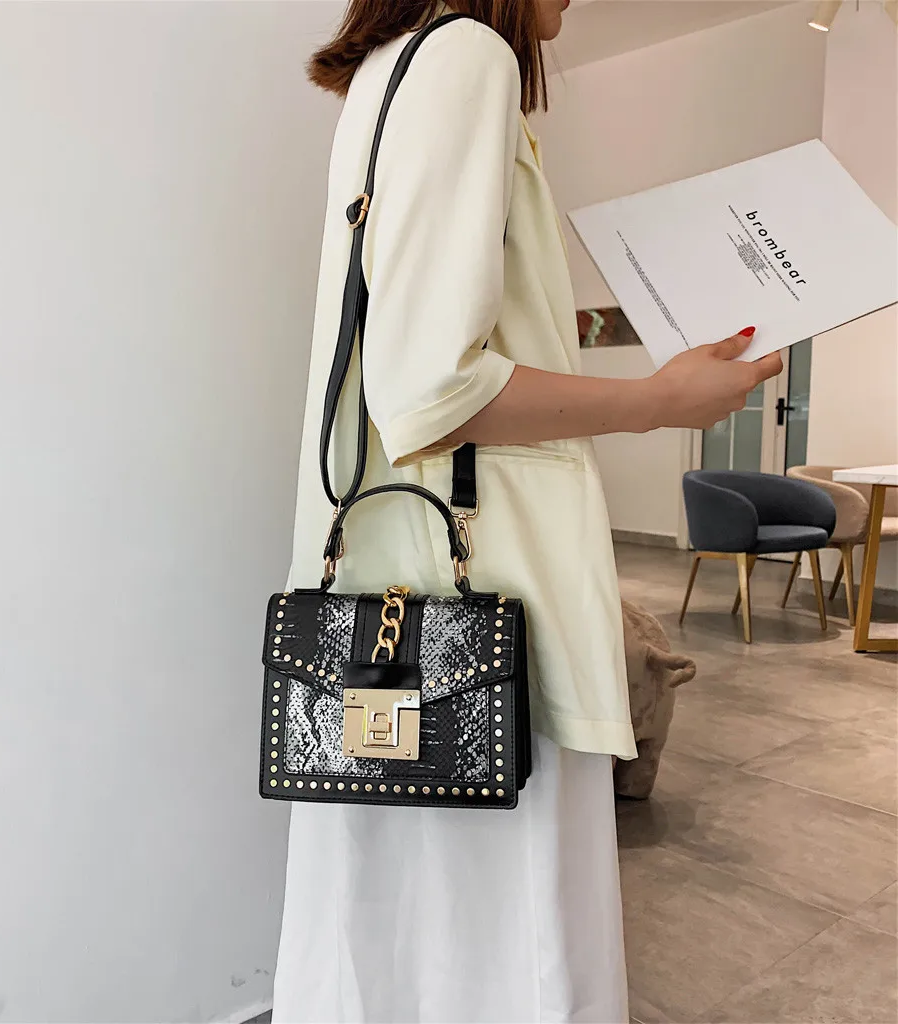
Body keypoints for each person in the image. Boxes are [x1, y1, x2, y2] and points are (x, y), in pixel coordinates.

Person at [274, 2, 783, 1022]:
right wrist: (656, 402)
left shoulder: (386, 73)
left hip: (391, 608)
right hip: (484, 609)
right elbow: (427, 390)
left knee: (393, 949)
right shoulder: (466, 56)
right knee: (505, 956)